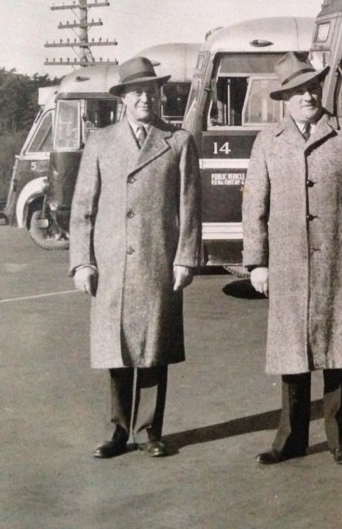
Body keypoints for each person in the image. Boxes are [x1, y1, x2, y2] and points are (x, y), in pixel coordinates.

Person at [242, 52, 342, 467]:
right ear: (284, 97)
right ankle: (289, 440)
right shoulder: (267, 142)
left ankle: (341, 442)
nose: (307, 95)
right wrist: (258, 262)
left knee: (339, 354)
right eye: (298, 90)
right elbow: (254, 206)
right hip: (287, 264)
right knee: (292, 356)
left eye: (312, 87)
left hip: (339, 260)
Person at [69, 56, 201, 459]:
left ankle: (149, 431)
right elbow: (82, 208)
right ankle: (117, 431)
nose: (146, 98)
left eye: (152, 90)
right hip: (110, 264)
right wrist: (82, 261)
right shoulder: (100, 142)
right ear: (123, 98)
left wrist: (186, 258)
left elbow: (191, 207)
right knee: (117, 348)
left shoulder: (177, 141)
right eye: (137, 91)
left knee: (153, 347)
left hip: (157, 259)